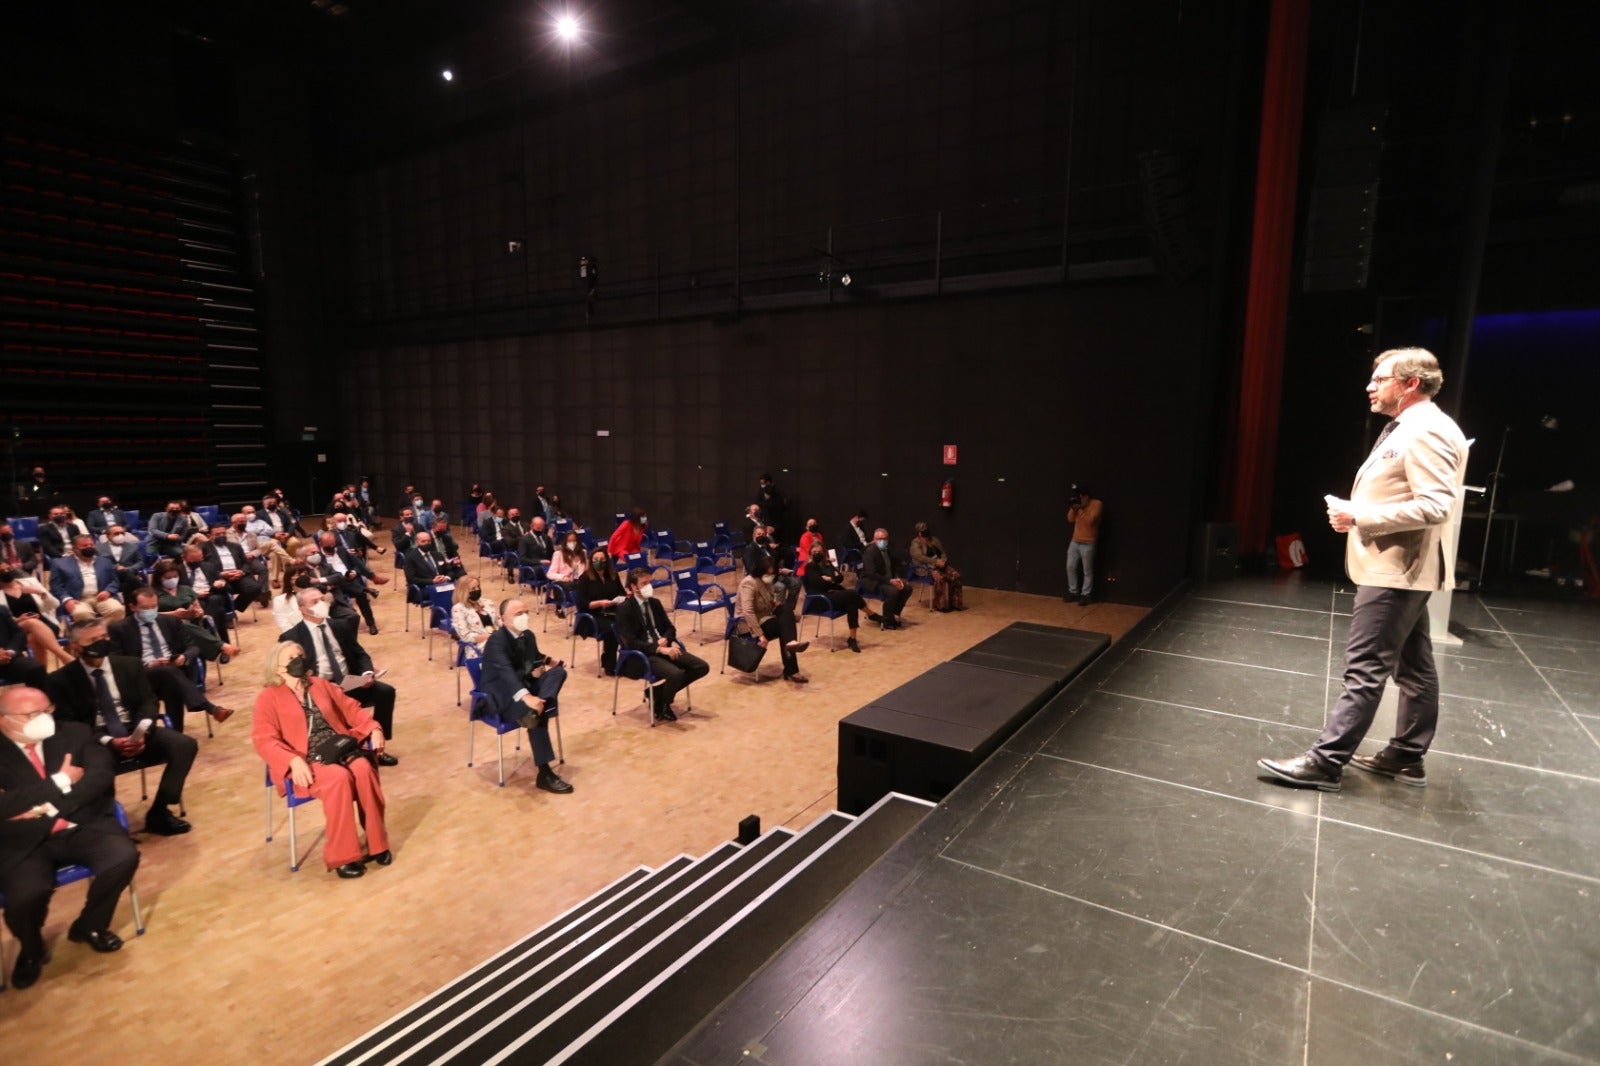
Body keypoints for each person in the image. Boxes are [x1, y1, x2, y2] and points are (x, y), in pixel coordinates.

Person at [1260, 347, 1469, 792]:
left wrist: (1359, 517)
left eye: (1381, 378)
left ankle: (1326, 762)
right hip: (1402, 567)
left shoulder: (1426, 431)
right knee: (1414, 666)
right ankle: (1406, 757)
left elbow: (1436, 505)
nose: (1370, 386)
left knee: (1366, 668)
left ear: (1410, 384)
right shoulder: (1413, 427)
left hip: (1396, 569)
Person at [0, 684, 141, 989]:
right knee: (24, 896)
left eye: (48, 709)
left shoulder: (75, 732)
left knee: (123, 857)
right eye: (33, 714)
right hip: (23, 840)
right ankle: (31, 947)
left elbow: (100, 777)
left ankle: (90, 925)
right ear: (5, 720)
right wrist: (60, 781)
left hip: (82, 823)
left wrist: (39, 806)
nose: (45, 718)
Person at [46, 620, 199, 834]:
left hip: (134, 728)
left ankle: (160, 811)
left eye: (104, 638)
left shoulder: (129, 664)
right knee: (97, 766)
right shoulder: (60, 680)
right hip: (96, 738)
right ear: (75, 647)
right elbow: (68, 724)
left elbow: (148, 701)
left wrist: (141, 732)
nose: (102, 642)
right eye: (93, 640)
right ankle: (108, 823)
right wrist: (109, 741)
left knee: (184, 745)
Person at [253, 643, 391, 878]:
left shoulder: (320, 685)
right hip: (304, 759)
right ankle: (343, 856)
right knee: (338, 778)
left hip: (337, 747)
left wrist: (373, 727)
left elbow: (352, 709)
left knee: (363, 769)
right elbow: (264, 739)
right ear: (277, 668)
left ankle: (378, 843)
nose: (299, 659)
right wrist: (292, 761)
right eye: (291, 658)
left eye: (301, 655)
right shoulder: (268, 698)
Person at [279, 588, 399, 766]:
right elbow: (290, 674)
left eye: (322, 599)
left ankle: (378, 746)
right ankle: (342, 751)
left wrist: (366, 673)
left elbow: (360, 654)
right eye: (315, 602)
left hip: (350, 682)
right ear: (302, 609)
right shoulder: (291, 637)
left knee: (386, 692)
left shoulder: (340, 626)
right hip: (320, 690)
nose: (322, 604)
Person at [106, 589, 235, 731]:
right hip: (141, 677)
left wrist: (183, 657)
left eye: (154, 607)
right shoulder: (119, 629)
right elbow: (116, 661)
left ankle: (177, 732)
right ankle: (211, 708)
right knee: (169, 674)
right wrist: (147, 664)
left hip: (173, 673)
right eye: (145, 608)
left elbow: (193, 647)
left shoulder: (170, 621)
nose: (151, 611)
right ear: (132, 607)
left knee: (170, 679)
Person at [480, 598, 572, 793]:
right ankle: (545, 774)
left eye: (525, 612)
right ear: (503, 619)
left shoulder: (528, 635)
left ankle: (537, 707)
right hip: (502, 694)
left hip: (526, 685)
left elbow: (535, 656)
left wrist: (547, 662)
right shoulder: (497, 641)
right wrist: (527, 697)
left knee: (558, 672)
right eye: (518, 614)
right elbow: (505, 673)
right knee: (536, 711)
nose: (524, 617)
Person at [617, 567, 709, 719]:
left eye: (650, 582)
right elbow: (631, 642)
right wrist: (659, 649)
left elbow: (670, 628)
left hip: (664, 647)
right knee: (676, 674)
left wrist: (666, 638)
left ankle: (656, 694)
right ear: (634, 587)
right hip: (643, 655)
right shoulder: (624, 609)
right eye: (644, 583)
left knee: (701, 666)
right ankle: (664, 705)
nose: (649, 586)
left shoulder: (655, 603)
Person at [737, 558, 812, 682]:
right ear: (760, 571)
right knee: (785, 627)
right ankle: (792, 669)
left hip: (766, 617)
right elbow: (748, 612)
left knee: (786, 612)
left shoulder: (768, 582)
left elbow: (769, 600)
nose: (770, 577)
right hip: (750, 624)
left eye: (772, 574)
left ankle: (791, 644)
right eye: (768, 574)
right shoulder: (748, 583)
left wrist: (774, 603)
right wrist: (760, 635)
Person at [1, 562, 73, 668]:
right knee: (31, 622)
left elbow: (55, 604)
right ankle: (65, 657)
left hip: (44, 624)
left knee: (33, 638)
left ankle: (42, 678)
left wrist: (40, 592)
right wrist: (18, 619)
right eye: (2, 571)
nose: (6, 572)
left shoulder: (30, 582)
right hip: (16, 628)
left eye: (8, 569)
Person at [802, 544, 869, 652]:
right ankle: (871, 614)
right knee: (851, 594)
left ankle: (852, 639)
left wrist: (829, 578)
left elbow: (840, 578)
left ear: (824, 553)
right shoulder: (810, 567)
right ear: (810, 554)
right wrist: (832, 579)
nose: (817, 554)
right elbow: (819, 584)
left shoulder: (828, 564)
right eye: (814, 552)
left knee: (852, 603)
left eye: (819, 552)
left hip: (833, 594)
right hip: (821, 600)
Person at [50, 534, 126, 624]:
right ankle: (92, 636)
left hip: (101, 597)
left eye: (91, 545)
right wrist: (67, 599)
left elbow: (114, 580)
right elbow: (56, 586)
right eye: (85, 546)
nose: (89, 547)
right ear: (74, 549)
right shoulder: (60, 564)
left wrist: (108, 591)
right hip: (77, 598)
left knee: (117, 609)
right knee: (82, 613)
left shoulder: (105, 561)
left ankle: (109, 632)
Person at [576, 549, 625, 675]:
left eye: (602, 559)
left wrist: (620, 600)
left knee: (630, 622)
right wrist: (600, 603)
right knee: (612, 629)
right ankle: (610, 665)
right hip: (592, 615)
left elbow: (622, 593)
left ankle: (628, 660)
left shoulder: (613, 575)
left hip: (612, 611)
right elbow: (582, 604)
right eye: (596, 559)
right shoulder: (585, 578)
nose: (599, 562)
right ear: (591, 562)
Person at [859, 527, 913, 629]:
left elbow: (893, 566)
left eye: (884, 539)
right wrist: (890, 581)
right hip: (874, 581)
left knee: (907, 588)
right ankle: (887, 620)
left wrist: (897, 578)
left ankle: (893, 613)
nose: (882, 541)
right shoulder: (870, 551)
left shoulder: (887, 550)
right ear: (874, 539)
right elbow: (871, 573)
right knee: (893, 592)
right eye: (879, 539)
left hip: (888, 579)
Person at [909, 521, 966, 612]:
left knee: (956, 575)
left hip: (940, 564)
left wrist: (943, 560)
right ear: (919, 532)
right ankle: (940, 605)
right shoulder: (915, 543)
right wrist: (935, 562)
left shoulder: (934, 540)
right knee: (940, 578)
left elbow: (942, 551)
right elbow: (919, 557)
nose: (925, 532)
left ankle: (955, 603)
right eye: (923, 530)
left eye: (926, 530)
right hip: (925, 567)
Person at [1065, 484, 1103, 606]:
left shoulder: (1096, 504)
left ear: (1087, 496)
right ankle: (1073, 591)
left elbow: (1090, 520)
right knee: (1070, 566)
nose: (1080, 499)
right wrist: (1073, 508)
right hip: (1075, 541)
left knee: (1087, 570)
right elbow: (1070, 519)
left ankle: (1086, 594)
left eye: (1082, 496)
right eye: (1078, 496)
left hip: (1088, 542)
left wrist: (1080, 509)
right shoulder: (1077, 505)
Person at [1, 603, 51, 689]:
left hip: (8, 659)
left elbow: (18, 633)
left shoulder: (1, 610)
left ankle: (39, 701)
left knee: (36, 669)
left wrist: (9, 651)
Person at [544, 530, 586, 617]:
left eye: (574, 541)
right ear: (565, 542)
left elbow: (582, 572)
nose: (572, 543)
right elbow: (550, 574)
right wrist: (562, 577)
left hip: (579, 582)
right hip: (564, 585)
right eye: (569, 541)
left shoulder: (583, 553)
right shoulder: (558, 554)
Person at [452, 576, 498, 648]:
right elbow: (465, 636)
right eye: (473, 589)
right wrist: (490, 637)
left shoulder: (487, 602)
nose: (477, 590)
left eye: (478, 587)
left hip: (497, 640)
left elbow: (499, 622)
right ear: (463, 591)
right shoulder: (458, 609)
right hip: (479, 646)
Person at [271, 562, 315, 632]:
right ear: (290, 579)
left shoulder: (316, 595)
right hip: (297, 637)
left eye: (305, 574)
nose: (302, 576)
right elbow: (284, 627)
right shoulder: (280, 601)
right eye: (298, 574)